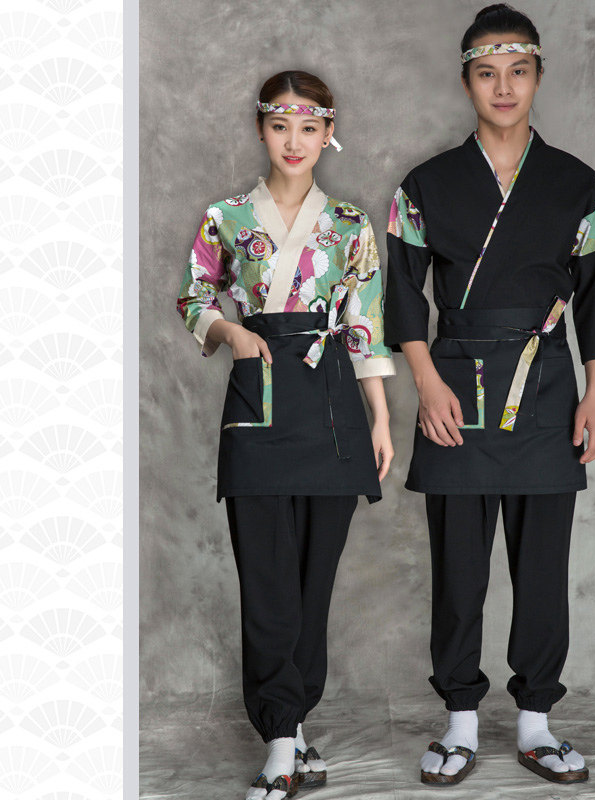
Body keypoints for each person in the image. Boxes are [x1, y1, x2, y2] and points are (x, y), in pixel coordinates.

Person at [384, 3, 595, 787]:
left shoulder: (578, 185)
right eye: (487, 73)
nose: (503, 87)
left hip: (549, 387)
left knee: (543, 567)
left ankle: (536, 722)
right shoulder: (424, 185)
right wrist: (426, 383)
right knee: (459, 568)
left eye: (517, 72)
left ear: (538, 77)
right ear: (466, 82)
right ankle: (460, 721)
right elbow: (401, 293)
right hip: (454, 386)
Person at [176, 70, 395, 800]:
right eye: (280, 126)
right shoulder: (226, 217)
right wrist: (229, 332)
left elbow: (365, 324)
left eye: (309, 127)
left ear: (329, 132)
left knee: (311, 583)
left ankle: (294, 725)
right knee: (266, 582)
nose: (294, 141)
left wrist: (381, 418)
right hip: (259, 398)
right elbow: (194, 296)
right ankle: (279, 738)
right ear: (261, 129)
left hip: (333, 407)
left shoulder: (351, 224)